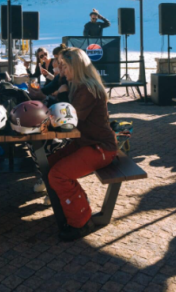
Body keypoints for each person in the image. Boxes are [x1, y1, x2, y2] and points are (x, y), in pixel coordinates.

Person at [47, 47, 118, 241]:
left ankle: (81, 222)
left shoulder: (86, 88)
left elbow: (69, 120)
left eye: (64, 66)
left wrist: (58, 98)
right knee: (50, 161)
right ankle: (75, 202)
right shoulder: (78, 85)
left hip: (101, 147)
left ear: (75, 67)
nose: (61, 70)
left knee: (58, 174)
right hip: (87, 143)